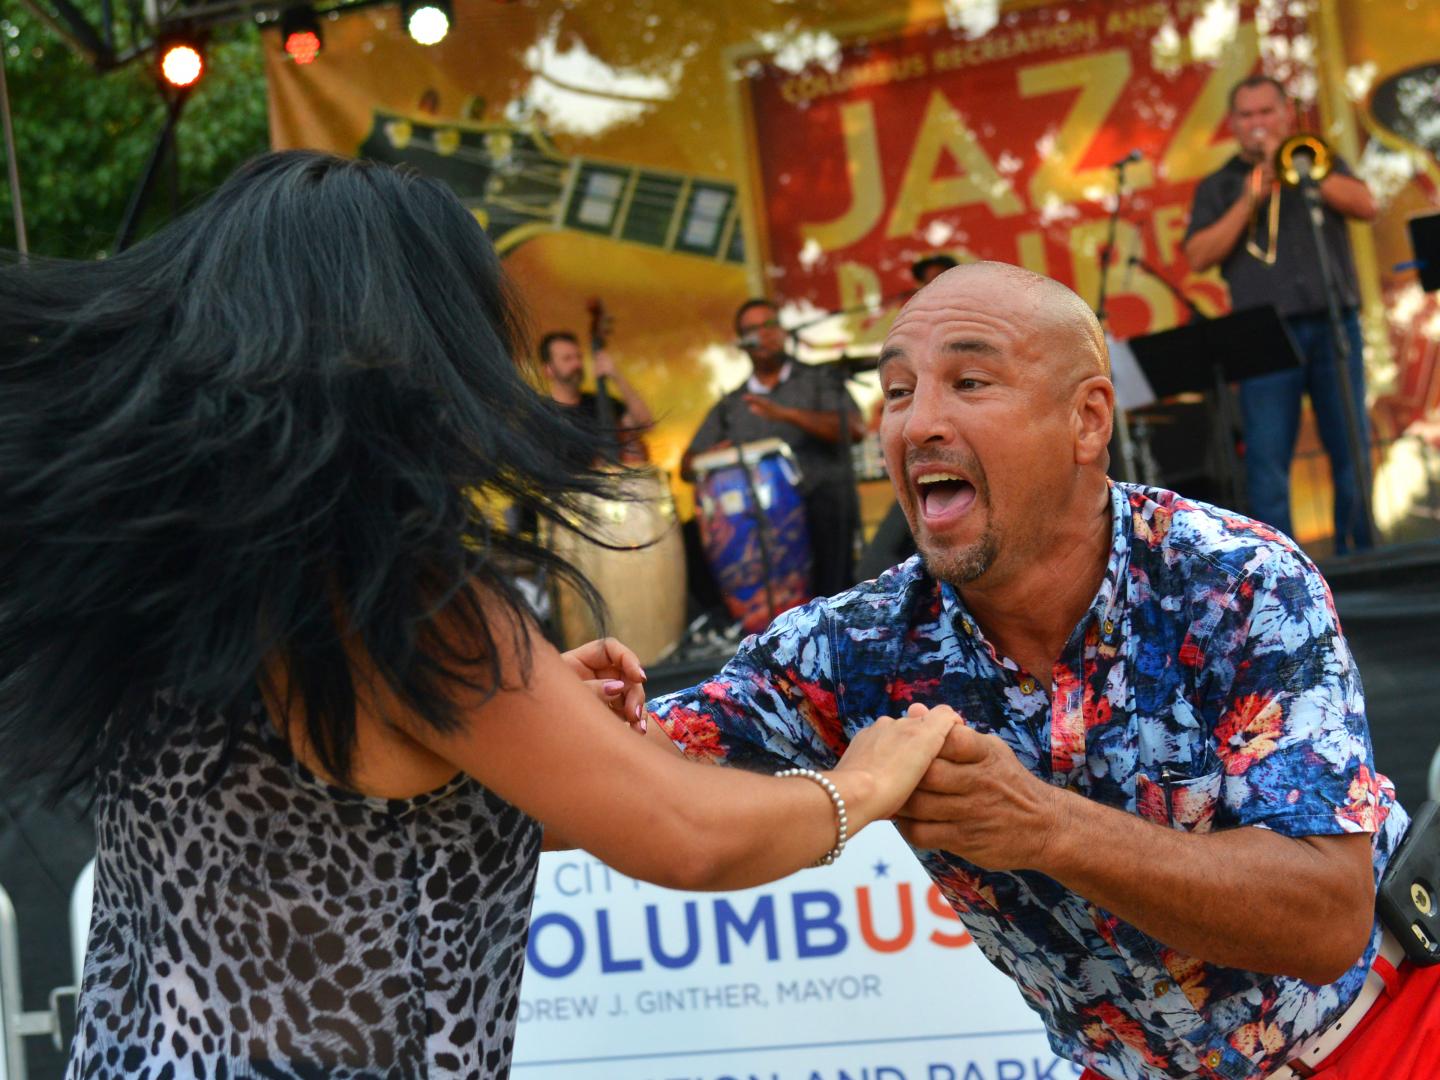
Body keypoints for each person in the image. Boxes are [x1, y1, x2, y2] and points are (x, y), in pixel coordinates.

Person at [0, 151, 959, 1079]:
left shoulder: (180, 572)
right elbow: (685, 833)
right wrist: (861, 786)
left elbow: (332, 842)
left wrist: (520, 725)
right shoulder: (400, 597)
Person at [647, 261, 1437, 1080]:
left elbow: (1325, 921)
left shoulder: (1236, 581)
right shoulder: (853, 648)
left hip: (1386, 1035)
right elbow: (628, 771)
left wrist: (1044, 826)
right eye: (896, 390)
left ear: (1089, 419)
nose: (918, 423)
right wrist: (530, 695)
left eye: (970, 380)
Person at [1183, 74, 1379, 554]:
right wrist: (1252, 194)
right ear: (1233, 124)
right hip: (1262, 336)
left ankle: (1364, 556)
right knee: (1268, 461)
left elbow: (1367, 204)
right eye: (1247, 116)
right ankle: (1281, 572)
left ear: (1285, 115)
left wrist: (1304, 172)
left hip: (1333, 322)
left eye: (1266, 113)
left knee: (1350, 447)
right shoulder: (1220, 184)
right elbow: (1198, 255)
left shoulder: (1315, 161)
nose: (1257, 124)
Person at [681, 297, 865, 596]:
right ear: (743, 342)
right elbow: (686, 466)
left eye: (770, 325)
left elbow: (855, 429)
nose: (763, 334)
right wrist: (708, 458)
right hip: (758, 521)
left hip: (821, 507)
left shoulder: (819, 379)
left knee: (829, 512)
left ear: (783, 331)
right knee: (697, 535)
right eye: (752, 329)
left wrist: (786, 414)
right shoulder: (732, 404)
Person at [540, 328, 652, 462]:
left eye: (579, 357)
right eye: (567, 359)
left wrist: (616, 375)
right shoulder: (540, 414)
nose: (577, 364)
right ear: (548, 370)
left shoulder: (600, 403)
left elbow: (645, 423)